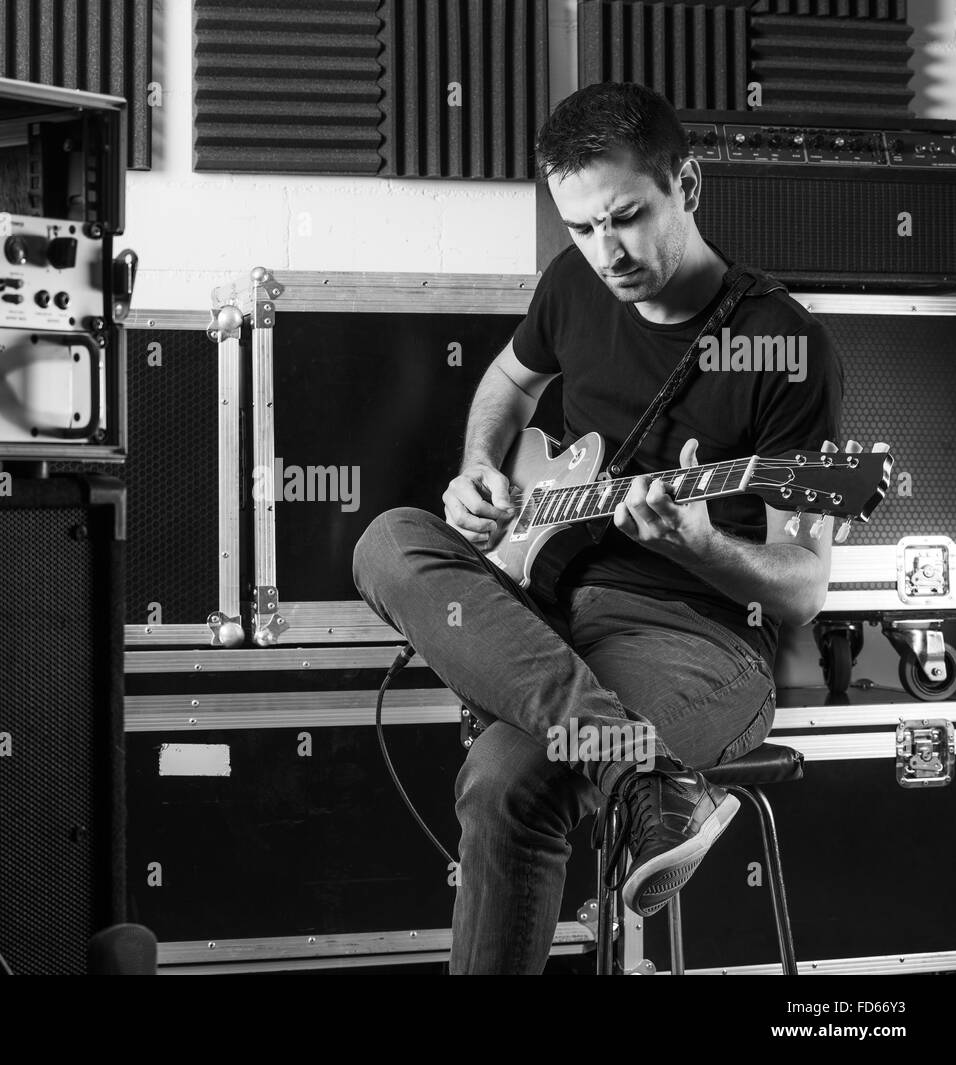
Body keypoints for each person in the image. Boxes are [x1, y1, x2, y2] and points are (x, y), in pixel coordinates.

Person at [351, 81, 845, 974]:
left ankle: (633, 763)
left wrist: (705, 545)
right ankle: (642, 773)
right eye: (579, 227)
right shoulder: (573, 285)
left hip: (697, 641)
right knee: (387, 538)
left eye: (623, 217)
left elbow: (807, 587)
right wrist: (479, 470)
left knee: (508, 780)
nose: (603, 251)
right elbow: (507, 383)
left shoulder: (786, 347)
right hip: (546, 617)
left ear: (686, 186)